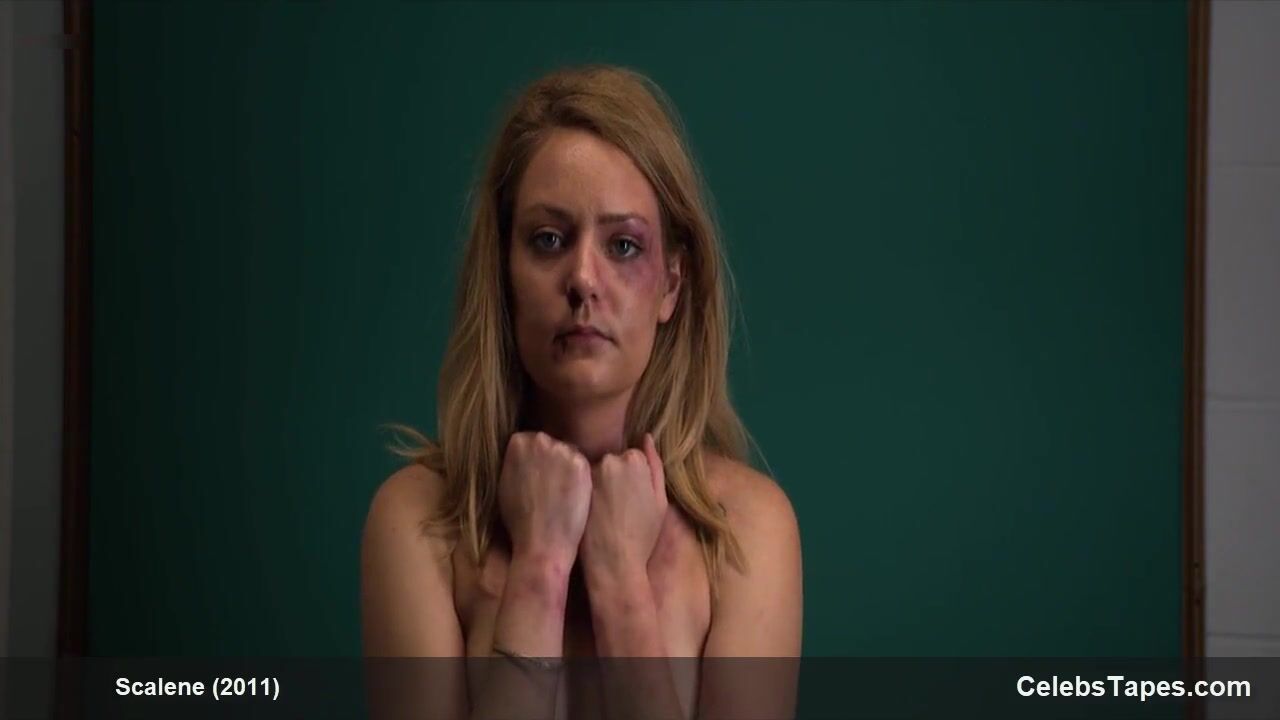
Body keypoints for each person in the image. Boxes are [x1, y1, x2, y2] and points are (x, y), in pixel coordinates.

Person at [360, 64, 801, 720]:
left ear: (672, 285)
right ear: (503, 272)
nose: (583, 280)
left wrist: (620, 582)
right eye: (548, 240)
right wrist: (539, 570)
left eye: (623, 245)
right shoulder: (417, 521)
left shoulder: (750, 531)